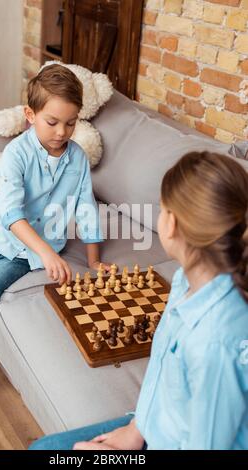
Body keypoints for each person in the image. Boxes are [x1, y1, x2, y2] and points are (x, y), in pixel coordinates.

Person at [30, 151, 248, 451]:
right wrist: (137, 428)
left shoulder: (216, 342)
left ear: (170, 224)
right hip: (154, 426)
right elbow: (160, 367)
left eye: (161, 209)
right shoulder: (189, 278)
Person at [0, 64, 109, 395]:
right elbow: (10, 214)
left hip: (28, 250)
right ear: (30, 115)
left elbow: (86, 208)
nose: (62, 132)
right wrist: (50, 254)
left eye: (70, 122)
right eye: (52, 122)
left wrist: (92, 261)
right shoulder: (16, 154)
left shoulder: (77, 159)